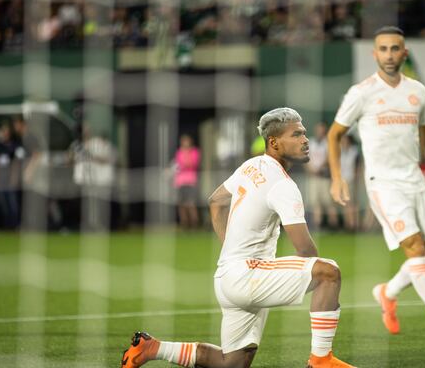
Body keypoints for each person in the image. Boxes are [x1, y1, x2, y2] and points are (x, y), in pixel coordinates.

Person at [121, 108, 355, 368]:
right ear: (274, 142)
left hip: (226, 276)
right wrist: (308, 286)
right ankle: (321, 360)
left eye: (304, 133)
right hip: (249, 277)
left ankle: (152, 348)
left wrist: (232, 250)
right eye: (297, 134)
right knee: (328, 272)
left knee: (231, 363)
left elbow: (215, 201)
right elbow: (306, 251)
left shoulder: (251, 165)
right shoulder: (283, 185)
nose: (305, 139)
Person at [327, 26, 425, 339]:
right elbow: (335, 135)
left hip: (415, 181)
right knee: (415, 250)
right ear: (374, 54)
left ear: (405, 53)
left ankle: (387, 293)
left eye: (395, 49)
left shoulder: (417, 91)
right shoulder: (360, 93)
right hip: (383, 184)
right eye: (383, 49)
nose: (389, 55)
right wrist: (337, 178)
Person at [305, 122, 339, 229]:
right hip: (313, 176)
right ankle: (318, 225)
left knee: (328, 202)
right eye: (318, 129)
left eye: (322, 130)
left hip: (324, 176)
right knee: (315, 202)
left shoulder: (328, 142)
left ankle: (334, 226)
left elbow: (330, 157)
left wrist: (319, 168)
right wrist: (311, 169)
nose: (320, 132)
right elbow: (306, 158)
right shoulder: (311, 142)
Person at [173, 134, 201, 229]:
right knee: (181, 205)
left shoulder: (195, 152)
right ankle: (184, 225)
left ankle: (194, 224)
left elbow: (191, 164)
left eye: (186, 141)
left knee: (191, 204)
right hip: (180, 182)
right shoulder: (179, 152)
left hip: (191, 181)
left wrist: (186, 156)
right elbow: (176, 166)